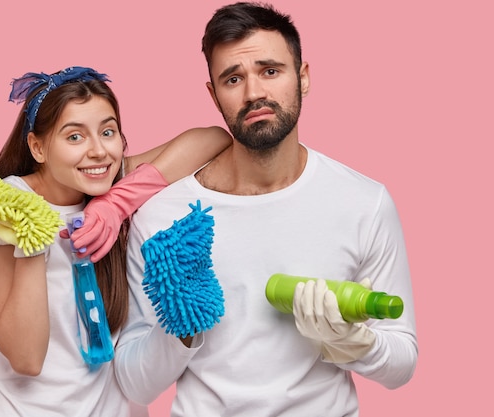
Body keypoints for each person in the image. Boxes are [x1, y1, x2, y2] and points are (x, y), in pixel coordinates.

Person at [114, 3, 418, 416]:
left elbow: (402, 363)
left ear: (303, 77)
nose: (254, 92)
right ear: (213, 94)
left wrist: (354, 343)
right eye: (233, 78)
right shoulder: (164, 219)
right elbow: (134, 384)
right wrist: (181, 325)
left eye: (270, 71)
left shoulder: (364, 202)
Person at [0, 65, 231, 417]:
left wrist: (116, 203)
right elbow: (26, 358)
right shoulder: (4, 205)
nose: (98, 151)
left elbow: (214, 138)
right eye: (74, 137)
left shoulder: (102, 182)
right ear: (38, 147)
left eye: (108, 132)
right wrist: (33, 237)